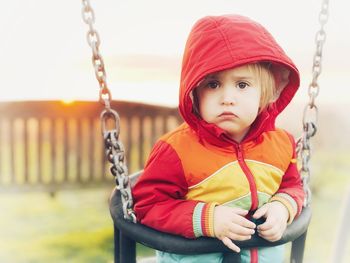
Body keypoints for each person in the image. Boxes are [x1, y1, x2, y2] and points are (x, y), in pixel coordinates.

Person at [132, 14, 305, 263]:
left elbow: (293, 186)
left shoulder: (281, 143)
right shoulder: (176, 149)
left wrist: (283, 207)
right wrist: (207, 219)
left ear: (266, 93)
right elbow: (148, 205)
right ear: (195, 94)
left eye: (242, 85)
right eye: (213, 85)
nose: (227, 98)